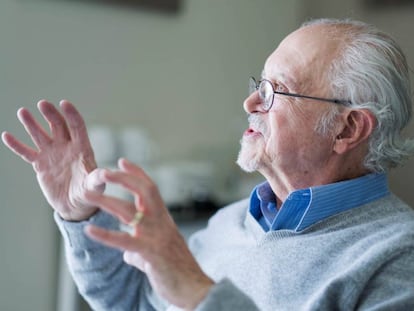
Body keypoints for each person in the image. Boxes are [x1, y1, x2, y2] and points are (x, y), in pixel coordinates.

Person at [2, 17, 414, 311]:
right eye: (259, 85)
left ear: (347, 129)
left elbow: (190, 295)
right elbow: (134, 302)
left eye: (277, 91)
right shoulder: (230, 222)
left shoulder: (398, 256)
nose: (250, 104)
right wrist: (81, 215)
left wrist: (199, 293)